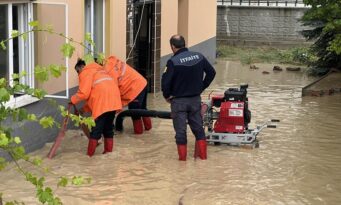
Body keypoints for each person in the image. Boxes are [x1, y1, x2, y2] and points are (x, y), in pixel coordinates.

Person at [161, 35, 216, 161]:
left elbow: (165, 83)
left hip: (178, 102)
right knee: (198, 130)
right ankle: (203, 159)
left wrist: (166, 96)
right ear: (184, 44)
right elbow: (212, 73)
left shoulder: (172, 62)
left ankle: (182, 164)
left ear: (172, 46)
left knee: (181, 133)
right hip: (195, 100)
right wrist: (201, 87)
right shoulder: (199, 56)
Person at [70, 59, 122, 157]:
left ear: (81, 67)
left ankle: (89, 157)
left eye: (78, 72)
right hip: (114, 100)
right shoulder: (99, 70)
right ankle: (108, 154)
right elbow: (94, 95)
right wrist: (84, 109)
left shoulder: (85, 72)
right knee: (108, 129)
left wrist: (72, 99)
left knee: (96, 131)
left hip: (103, 103)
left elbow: (84, 94)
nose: (78, 75)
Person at [104, 55, 152, 134]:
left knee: (135, 113)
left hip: (135, 89)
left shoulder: (109, 73)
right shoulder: (113, 61)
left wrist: (117, 109)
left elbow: (114, 92)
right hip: (142, 82)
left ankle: (139, 136)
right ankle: (149, 130)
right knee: (143, 109)